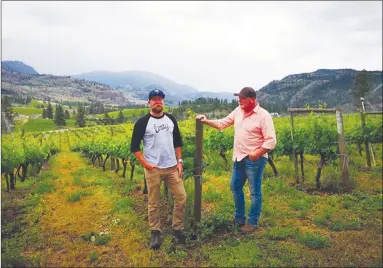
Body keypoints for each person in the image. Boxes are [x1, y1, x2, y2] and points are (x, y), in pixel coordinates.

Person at [196, 87, 277, 233]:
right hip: (238, 157)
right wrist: (206, 121)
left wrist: (257, 153)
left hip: (255, 160)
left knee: (254, 191)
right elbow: (222, 123)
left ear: (252, 99)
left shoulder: (263, 116)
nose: (239, 100)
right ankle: (239, 218)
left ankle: (252, 222)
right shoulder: (238, 111)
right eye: (238, 97)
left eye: (242, 98)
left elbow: (271, 141)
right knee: (235, 186)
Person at [131, 89, 187, 250]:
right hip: (153, 168)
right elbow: (134, 147)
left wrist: (180, 161)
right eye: (154, 99)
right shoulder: (142, 122)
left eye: (160, 99)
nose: (157, 102)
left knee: (181, 197)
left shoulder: (171, 119)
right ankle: (155, 231)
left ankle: (178, 229)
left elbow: (177, 141)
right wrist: (146, 164)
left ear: (163, 102)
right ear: (149, 102)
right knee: (153, 202)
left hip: (171, 168)